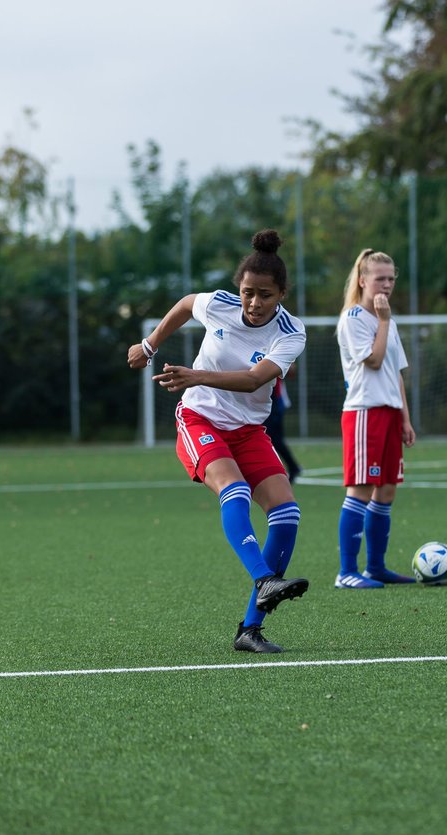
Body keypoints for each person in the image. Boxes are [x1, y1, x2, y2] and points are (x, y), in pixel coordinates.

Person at [127, 229, 309, 653]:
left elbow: (253, 381)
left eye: (265, 294)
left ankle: (249, 630)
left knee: (287, 514)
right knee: (236, 489)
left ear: (281, 293)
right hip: (199, 418)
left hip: (248, 430)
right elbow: (189, 303)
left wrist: (197, 374)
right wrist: (149, 344)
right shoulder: (221, 305)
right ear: (238, 289)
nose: (254, 302)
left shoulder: (290, 332)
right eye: (248, 292)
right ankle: (265, 580)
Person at [334, 248, 417, 589]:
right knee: (361, 490)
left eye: (391, 278)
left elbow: (396, 372)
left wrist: (405, 419)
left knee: (386, 492)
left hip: (389, 412)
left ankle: (376, 566)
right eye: (379, 278)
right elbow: (372, 360)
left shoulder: (390, 321)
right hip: (364, 412)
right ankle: (346, 572)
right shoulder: (354, 318)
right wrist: (382, 320)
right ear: (363, 280)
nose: (386, 285)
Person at [262, 365, 301, 483]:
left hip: (274, 403)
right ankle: (292, 467)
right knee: (272, 438)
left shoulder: (273, 348)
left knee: (273, 438)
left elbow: (292, 371)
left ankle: (291, 467)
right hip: (264, 403)